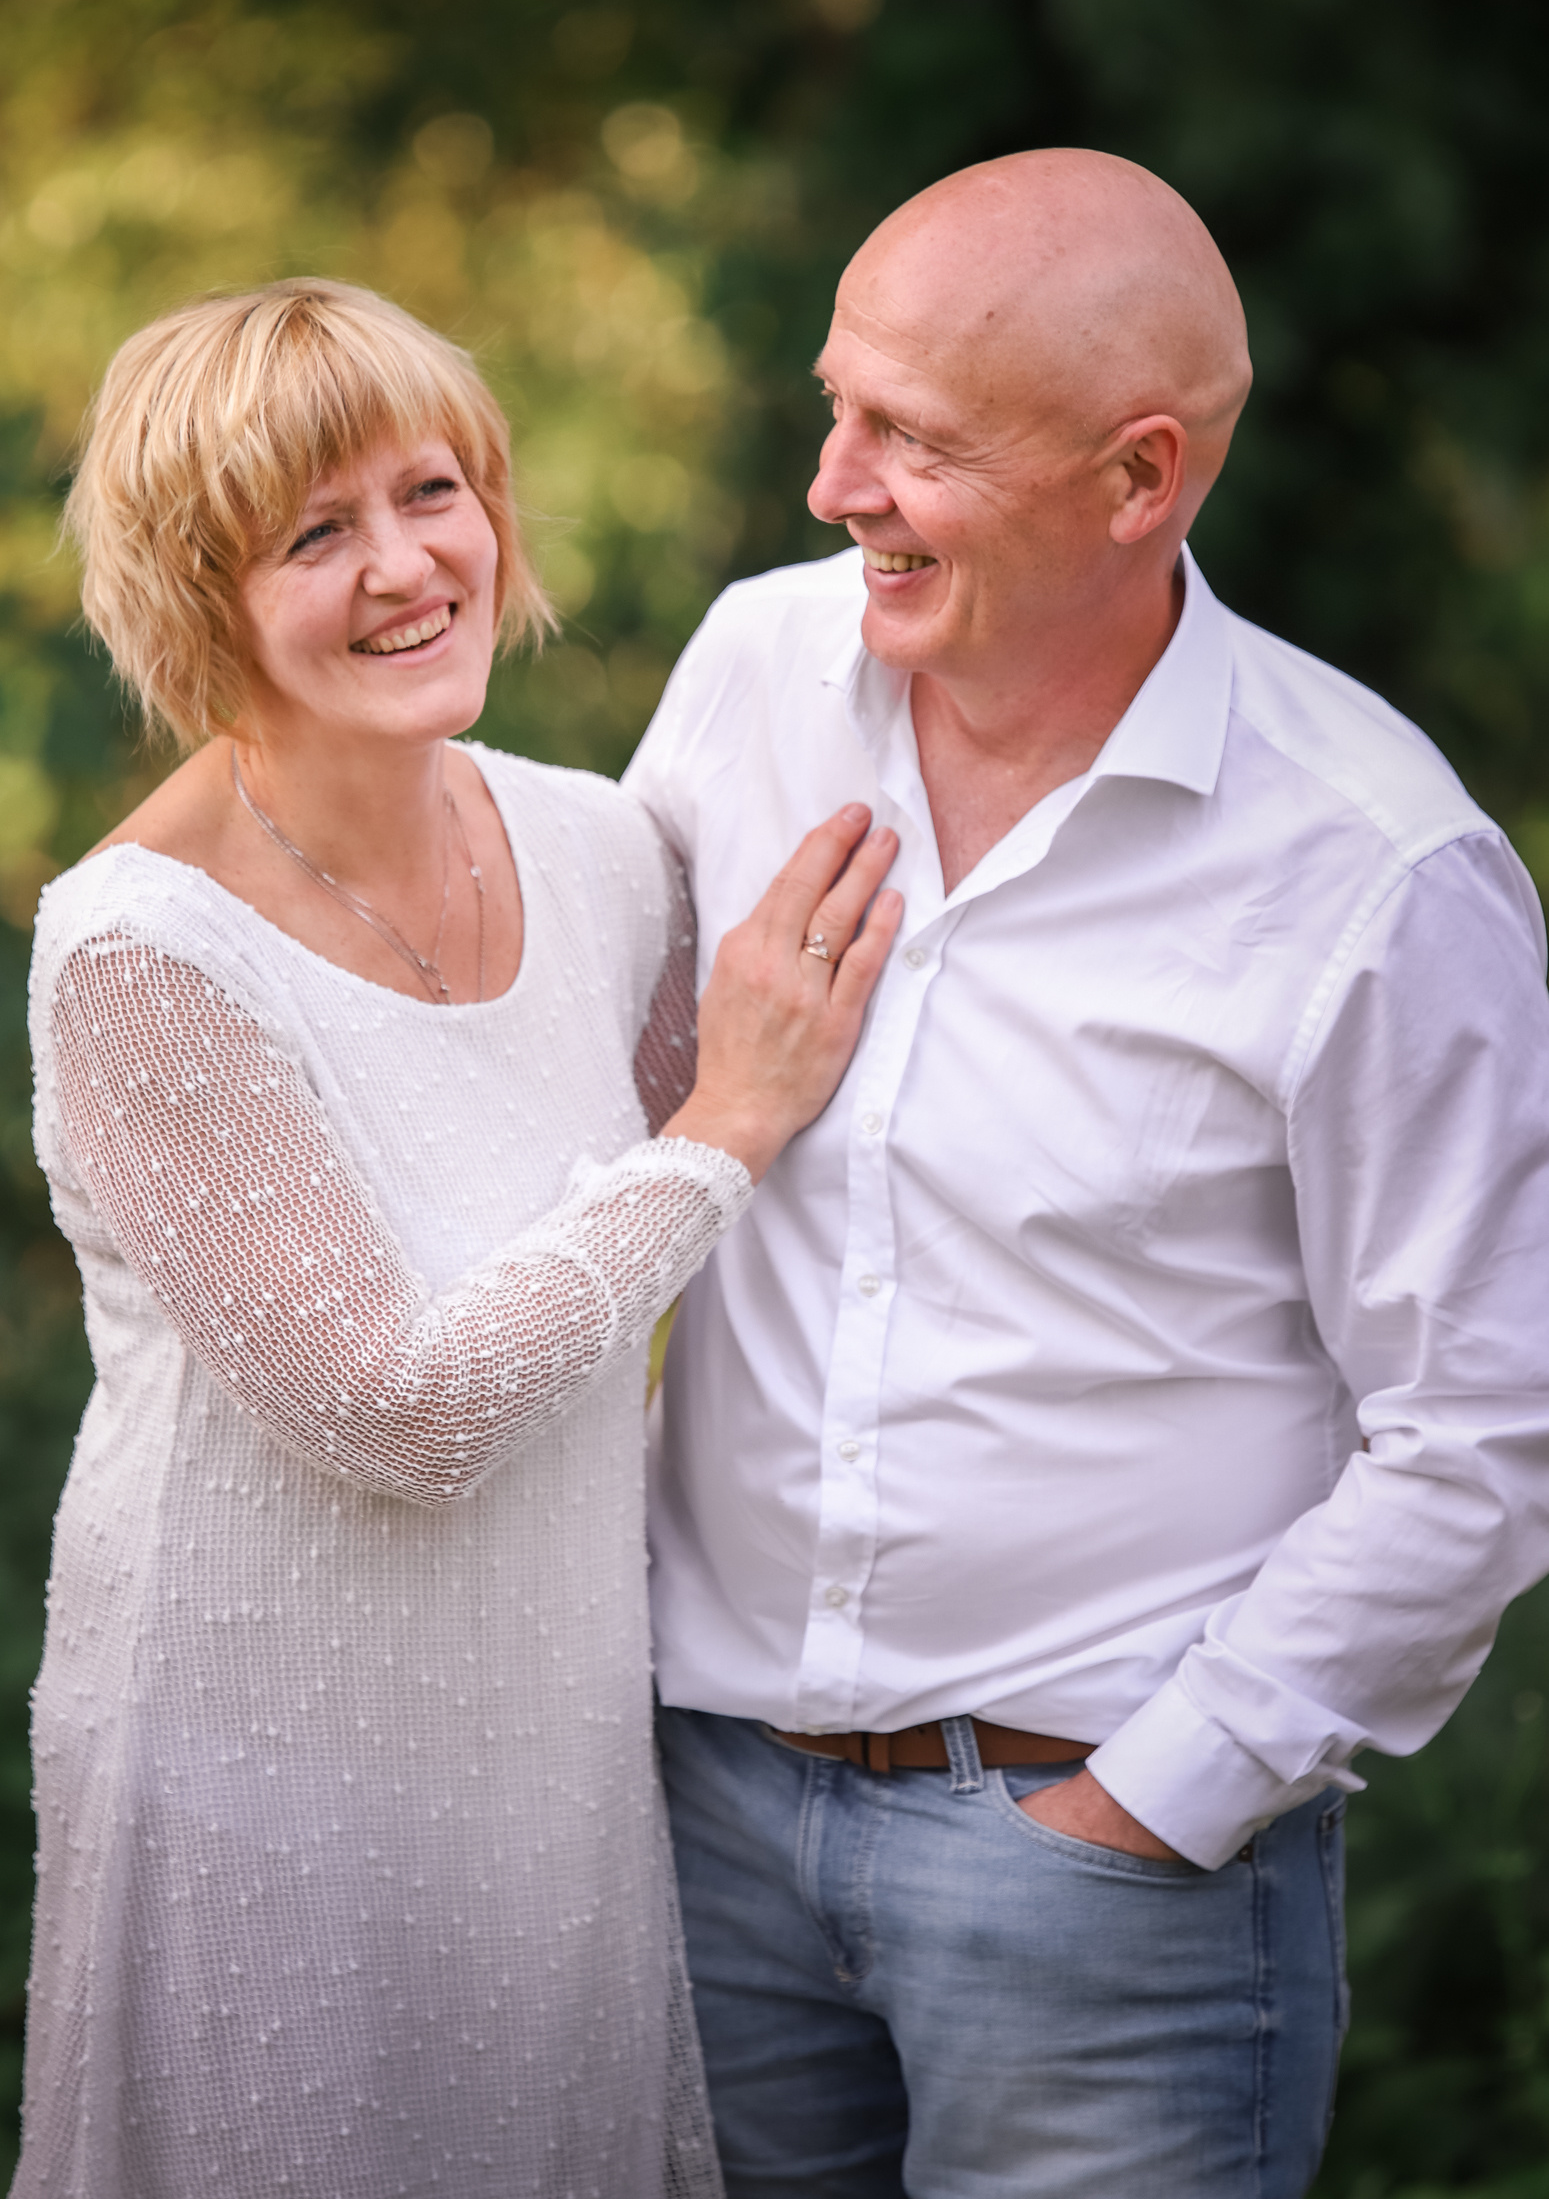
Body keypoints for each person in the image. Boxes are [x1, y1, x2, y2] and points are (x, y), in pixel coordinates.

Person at [625, 148, 1549, 2198]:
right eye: (833, 401)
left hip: (1097, 1889)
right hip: (699, 1830)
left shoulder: (1375, 870)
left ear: (1136, 481)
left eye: (910, 439)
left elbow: (1480, 1427)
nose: (827, 482)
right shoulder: (752, 673)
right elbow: (598, 1104)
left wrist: (1155, 1801)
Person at [14, 275, 902, 2199]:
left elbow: (742, 1209)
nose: (407, 564)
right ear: (193, 594)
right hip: (262, 1762)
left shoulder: (593, 844)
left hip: (554, 1745)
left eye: (432, 490)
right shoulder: (139, 949)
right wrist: (723, 1121)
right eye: (314, 533)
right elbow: (397, 1415)